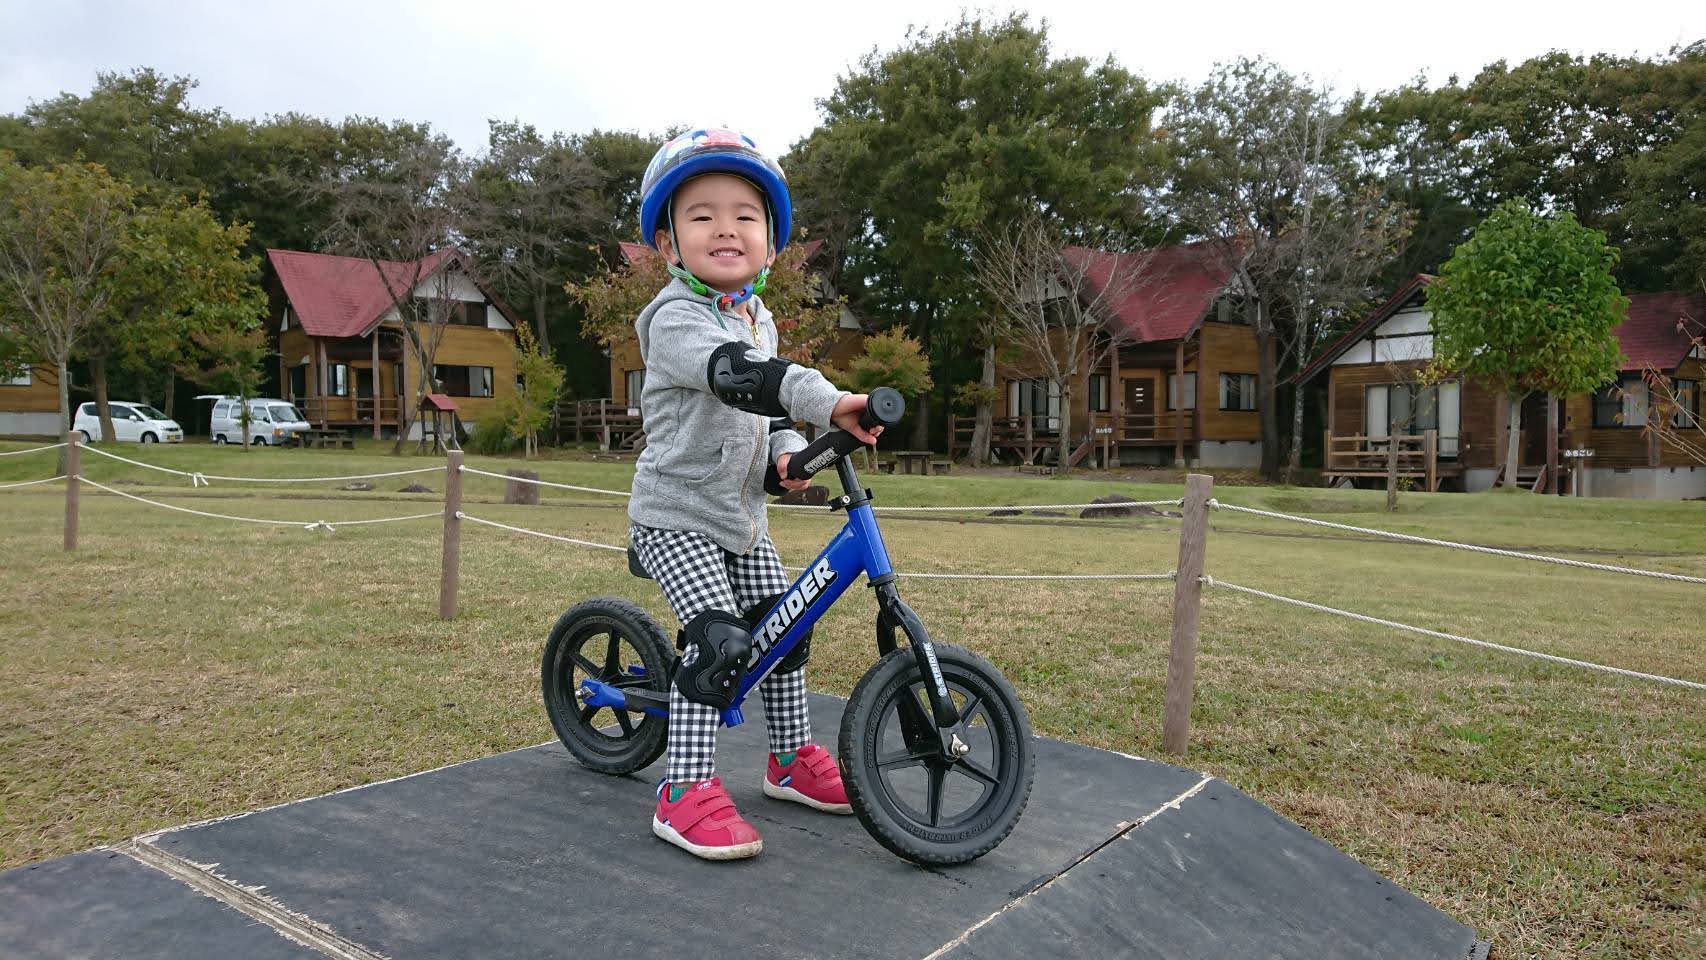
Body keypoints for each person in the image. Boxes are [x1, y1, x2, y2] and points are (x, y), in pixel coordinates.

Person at [627, 127, 882, 860]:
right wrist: (829, 398)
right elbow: (741, 376)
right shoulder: (675, 319)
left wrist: (790, 453)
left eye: (745, 214)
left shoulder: (756, 317)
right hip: (676, 514)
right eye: (701, 214)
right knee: (720, 641)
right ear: (671, 246)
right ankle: (682, 792)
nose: (726, 227)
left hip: (741, 519)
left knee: (785, 630)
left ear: (770, 240)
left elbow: (764, 414)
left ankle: (789, 760)